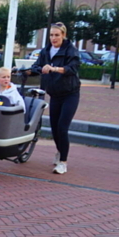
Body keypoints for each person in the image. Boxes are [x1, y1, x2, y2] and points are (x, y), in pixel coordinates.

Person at [29, 22, 81, 175]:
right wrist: (28, 70)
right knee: (54, 128)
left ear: (63, 35)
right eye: (51, 35)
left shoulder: (70, 50)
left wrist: (54, 69)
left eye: (57, 35)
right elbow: (36, 66)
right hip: (54, 94)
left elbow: (72, 68)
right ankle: (60, 150)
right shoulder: (46, 50)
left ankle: (63, 162)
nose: (54, 38)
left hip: (70, 94)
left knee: (62, 128)